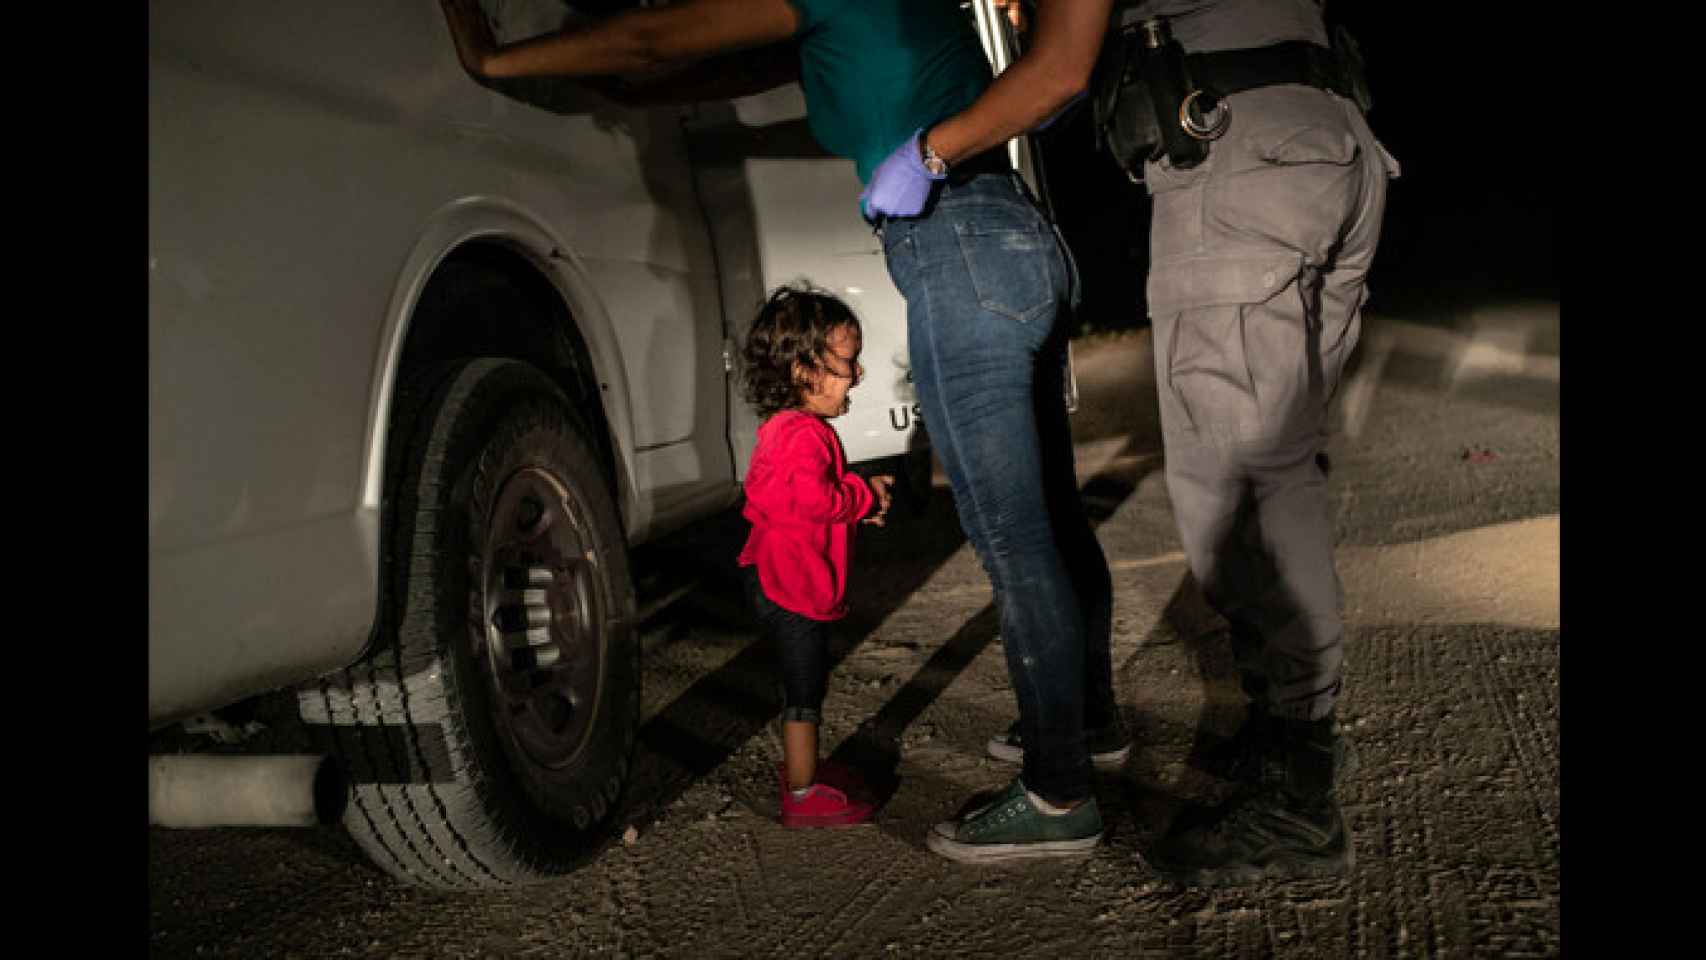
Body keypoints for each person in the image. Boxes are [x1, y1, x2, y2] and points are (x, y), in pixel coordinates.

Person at [437, 0, 1128, 863]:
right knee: (1052, 522)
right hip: (1007, 235)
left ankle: (1058, 790)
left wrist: (497, 60)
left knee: (1014, 540)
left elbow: (653, 35)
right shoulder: (852, 25)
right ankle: (1085, 724)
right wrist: (603, 84)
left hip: (956, 241)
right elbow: (704, 70)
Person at [1101, 0, 1397, 886]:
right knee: (1283, 469)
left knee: (1238, 491)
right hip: (1329, 135)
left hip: (1237, 154)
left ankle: (1298, 797)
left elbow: (1060, 45)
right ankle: (1283, 741)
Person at [735, 285, 893, 827]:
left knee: (803, 685)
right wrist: (863, 496)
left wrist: (856, 501)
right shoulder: (803, 435)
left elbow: (798, 499)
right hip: (791, 586)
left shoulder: (787, 430)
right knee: (805, 691)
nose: (858, 375)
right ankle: (801, 794)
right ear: (804, 370)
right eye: (848, 363)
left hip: (773, 577)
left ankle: (805, 771)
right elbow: (813, 499)